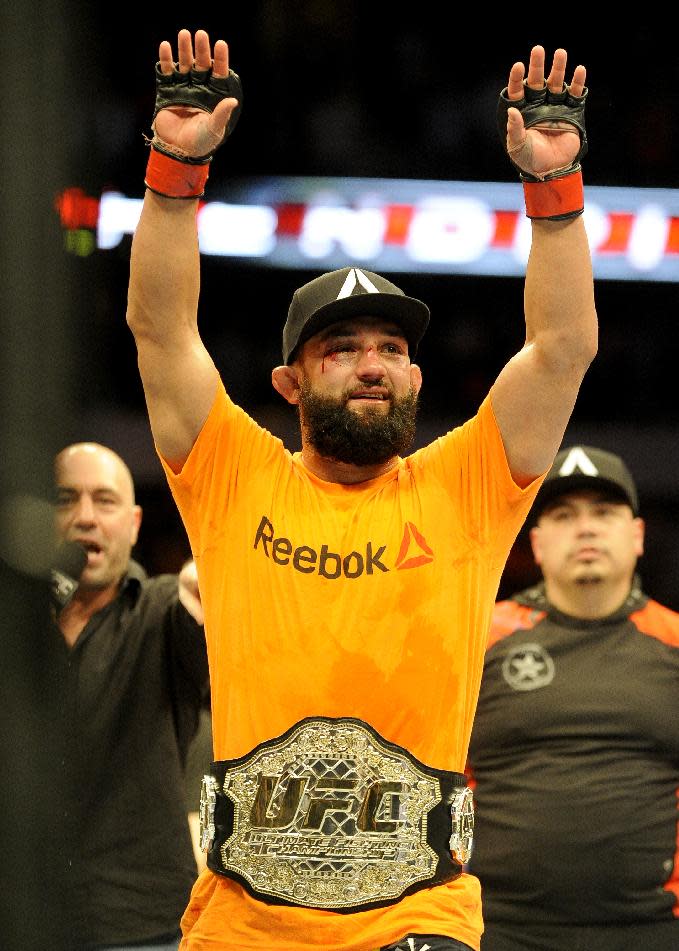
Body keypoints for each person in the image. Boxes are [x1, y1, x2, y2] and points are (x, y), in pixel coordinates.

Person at [125, 27, 597, 951]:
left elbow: (562, 348)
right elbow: (160, 330)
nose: (372, 365)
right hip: (243, 923)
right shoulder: (230, 472)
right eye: (341, 348)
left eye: (391, 349)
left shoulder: (465, 485)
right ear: (291, 383)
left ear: (419, 379)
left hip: (417, 917)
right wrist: (175, 169)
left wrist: (553, 191)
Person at [466, 445, 679, 951]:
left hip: (655, 927)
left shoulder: (675, 644)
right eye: (563, 515)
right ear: (536, 544)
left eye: (603, 513)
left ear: (637, 536)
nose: (585, 528)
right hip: (496, 926)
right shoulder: (476, 639)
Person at [52, 442, 209, 951]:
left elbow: (201, 593)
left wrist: (210, 575)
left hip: (145, 927)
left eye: (104, 500)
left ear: (136, 523)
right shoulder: (15, 628)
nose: (84, 518)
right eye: (64, 499)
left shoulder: (163, 610)